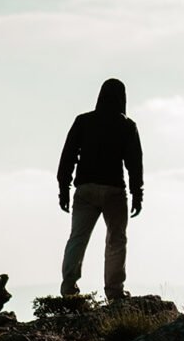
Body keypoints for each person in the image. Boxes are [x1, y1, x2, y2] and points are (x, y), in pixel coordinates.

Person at [57, 78, 143, 301]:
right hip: (114, 191)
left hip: (85, 189)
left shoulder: (83, 121)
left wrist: (63, 188)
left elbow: (68, 157)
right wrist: (137, 193)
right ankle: (114, 292)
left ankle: (69, 289)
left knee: (78, 238)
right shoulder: (127, 126)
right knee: (116, 240)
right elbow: (134, 163)